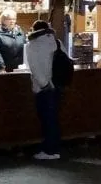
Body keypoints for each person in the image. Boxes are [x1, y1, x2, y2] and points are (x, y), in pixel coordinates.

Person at [25, 19, 64, 160]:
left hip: (43, 87)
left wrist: (43, 84)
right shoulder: (56, 42)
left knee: (46, 119)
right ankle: (54, 148)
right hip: (57, 84)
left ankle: (49, 150)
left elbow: (34, 68)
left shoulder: (32, 45)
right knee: (53, 118)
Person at [0, 8, 26, 74]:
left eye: (14, 19)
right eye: (9, 19)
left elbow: (25, 49)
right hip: (3, 70)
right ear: (3, 20)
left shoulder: (20, 32)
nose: (12, 21)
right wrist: (1, 67)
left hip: (19, 69)